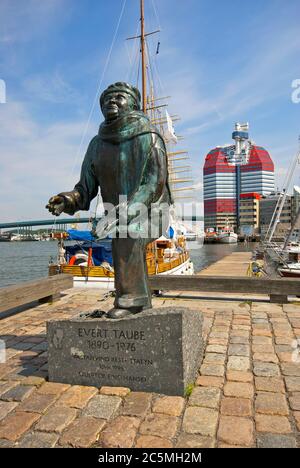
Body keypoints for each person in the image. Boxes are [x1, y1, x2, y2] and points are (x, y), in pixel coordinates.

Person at [46, 82, 172, 319]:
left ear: (133, 104)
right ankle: (141, 302)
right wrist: (67, 200)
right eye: (106, 99)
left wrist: (124, 212)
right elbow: (85, 189)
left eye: (118, 97)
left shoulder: (150, 137)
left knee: (128, 231)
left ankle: (131, 302)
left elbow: (153, 184)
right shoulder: (97, 144)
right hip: (116, 213)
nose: (110, 102)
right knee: (124, 230)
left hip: (152, 210)